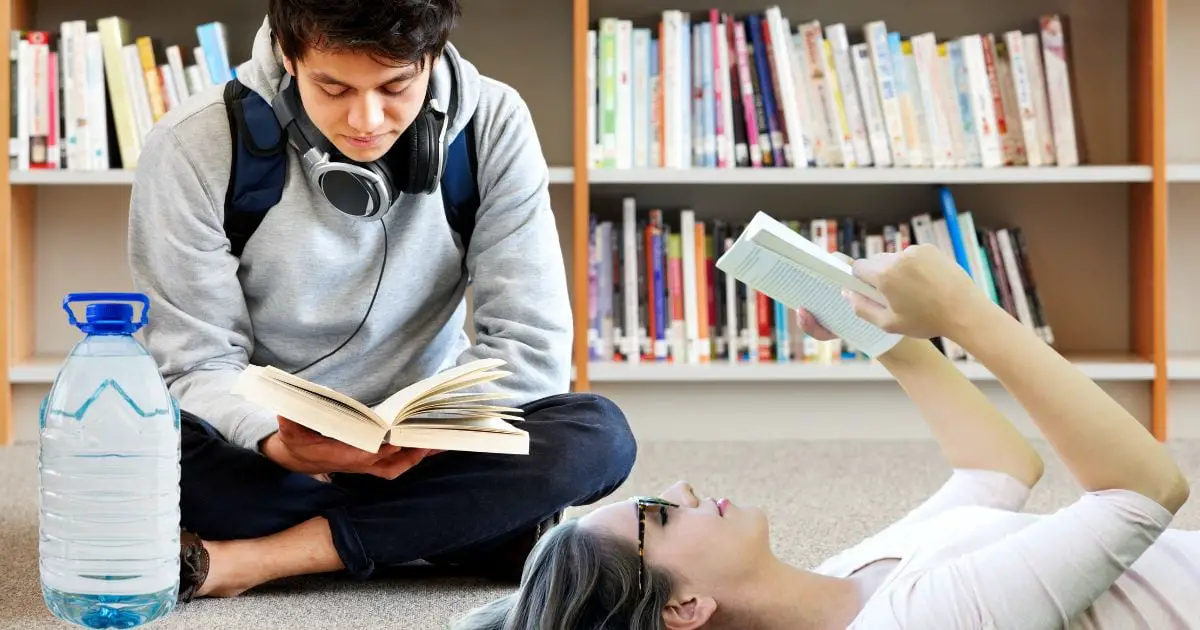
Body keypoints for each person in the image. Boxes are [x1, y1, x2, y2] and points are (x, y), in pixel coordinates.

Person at [126, 0, 637, 602]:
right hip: (271, 453)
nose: (365, 119)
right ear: (289, 58)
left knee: (595, 435)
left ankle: (268, 557)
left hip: (434, 447)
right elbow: (195, 362)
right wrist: (277, 441)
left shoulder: (493, 122)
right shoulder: (193, 143)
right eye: (332, 86)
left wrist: (433, 436)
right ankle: (457, 528)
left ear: (434, 55)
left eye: (397, 84)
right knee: (142, 447)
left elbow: (530, 343)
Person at [452, 242, 1197, 630]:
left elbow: (998, 469)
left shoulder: (842, 582)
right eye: (658, 514)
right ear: (683, 610)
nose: (680, 489)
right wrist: (965, 311)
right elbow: (1144, 493)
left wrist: (876, 333)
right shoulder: (912, 624)